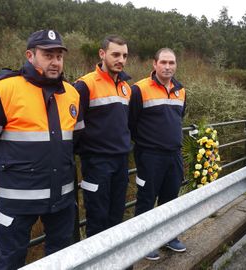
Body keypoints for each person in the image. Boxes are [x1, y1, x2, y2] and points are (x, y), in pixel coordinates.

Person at [0, 30, 83, 269]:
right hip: (18, 196)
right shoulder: (3, 90)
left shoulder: (72, 93)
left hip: (61, 196)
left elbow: (77, 138)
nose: (55, 62)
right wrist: (0, 167)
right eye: (48, 55)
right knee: (11, 258)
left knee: (60, 257)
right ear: (30, 55)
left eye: (59, 56)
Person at [129, 48, 187, 260]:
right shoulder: (139, 89)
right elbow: (131, 123)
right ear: (154, 64)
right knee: (146, 200)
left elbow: (179, 118)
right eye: (163, 62)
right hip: (149, 156)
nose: (167, 66)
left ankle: (168, 237)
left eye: (171, 62)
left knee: (170, 198)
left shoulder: (181, 90)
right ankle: (143, 242)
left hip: (174, 155)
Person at [74, 35, 131, 237]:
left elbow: (127, 123)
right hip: (96, 163)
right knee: (97, 219)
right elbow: (73, 127)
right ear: (102, 54)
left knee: (116, 217)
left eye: (124, 55)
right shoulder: (84, 85)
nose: (121, 60)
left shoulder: (126, 88)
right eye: (115, 54)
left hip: (121, 161)